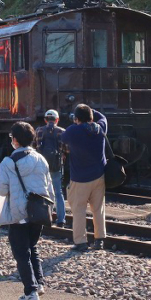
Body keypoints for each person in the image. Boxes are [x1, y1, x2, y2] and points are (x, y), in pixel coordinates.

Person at [0, 121, 55, 300]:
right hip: (39, 212)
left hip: (19, 213)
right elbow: (49, 188)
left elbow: (2, 190)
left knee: (21, 253)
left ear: (15, 140)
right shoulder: (41, 159)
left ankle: (31, 291)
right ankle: (39, 284)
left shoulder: (8, 162)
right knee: (32, 247)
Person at [61, 103, 108, 251]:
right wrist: (91, 111)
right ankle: (99, 240)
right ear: (91, 117)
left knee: (79, 209)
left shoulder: (72, 131)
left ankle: (81, 242)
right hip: (99, 176)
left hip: (79, 178)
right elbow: (103, 118)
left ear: (76, 118)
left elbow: (63, 138)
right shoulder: (100, 128)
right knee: (98, 208)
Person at [35, 109, 66, 226]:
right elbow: (67, 149)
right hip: (56, 165)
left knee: (43, 191)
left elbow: (34, 147)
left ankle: (45, 217)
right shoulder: (62, 132)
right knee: (58, 192)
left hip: (41, 166)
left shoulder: (38, 131)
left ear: (45, 119)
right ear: (57, 120)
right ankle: (61, 220)